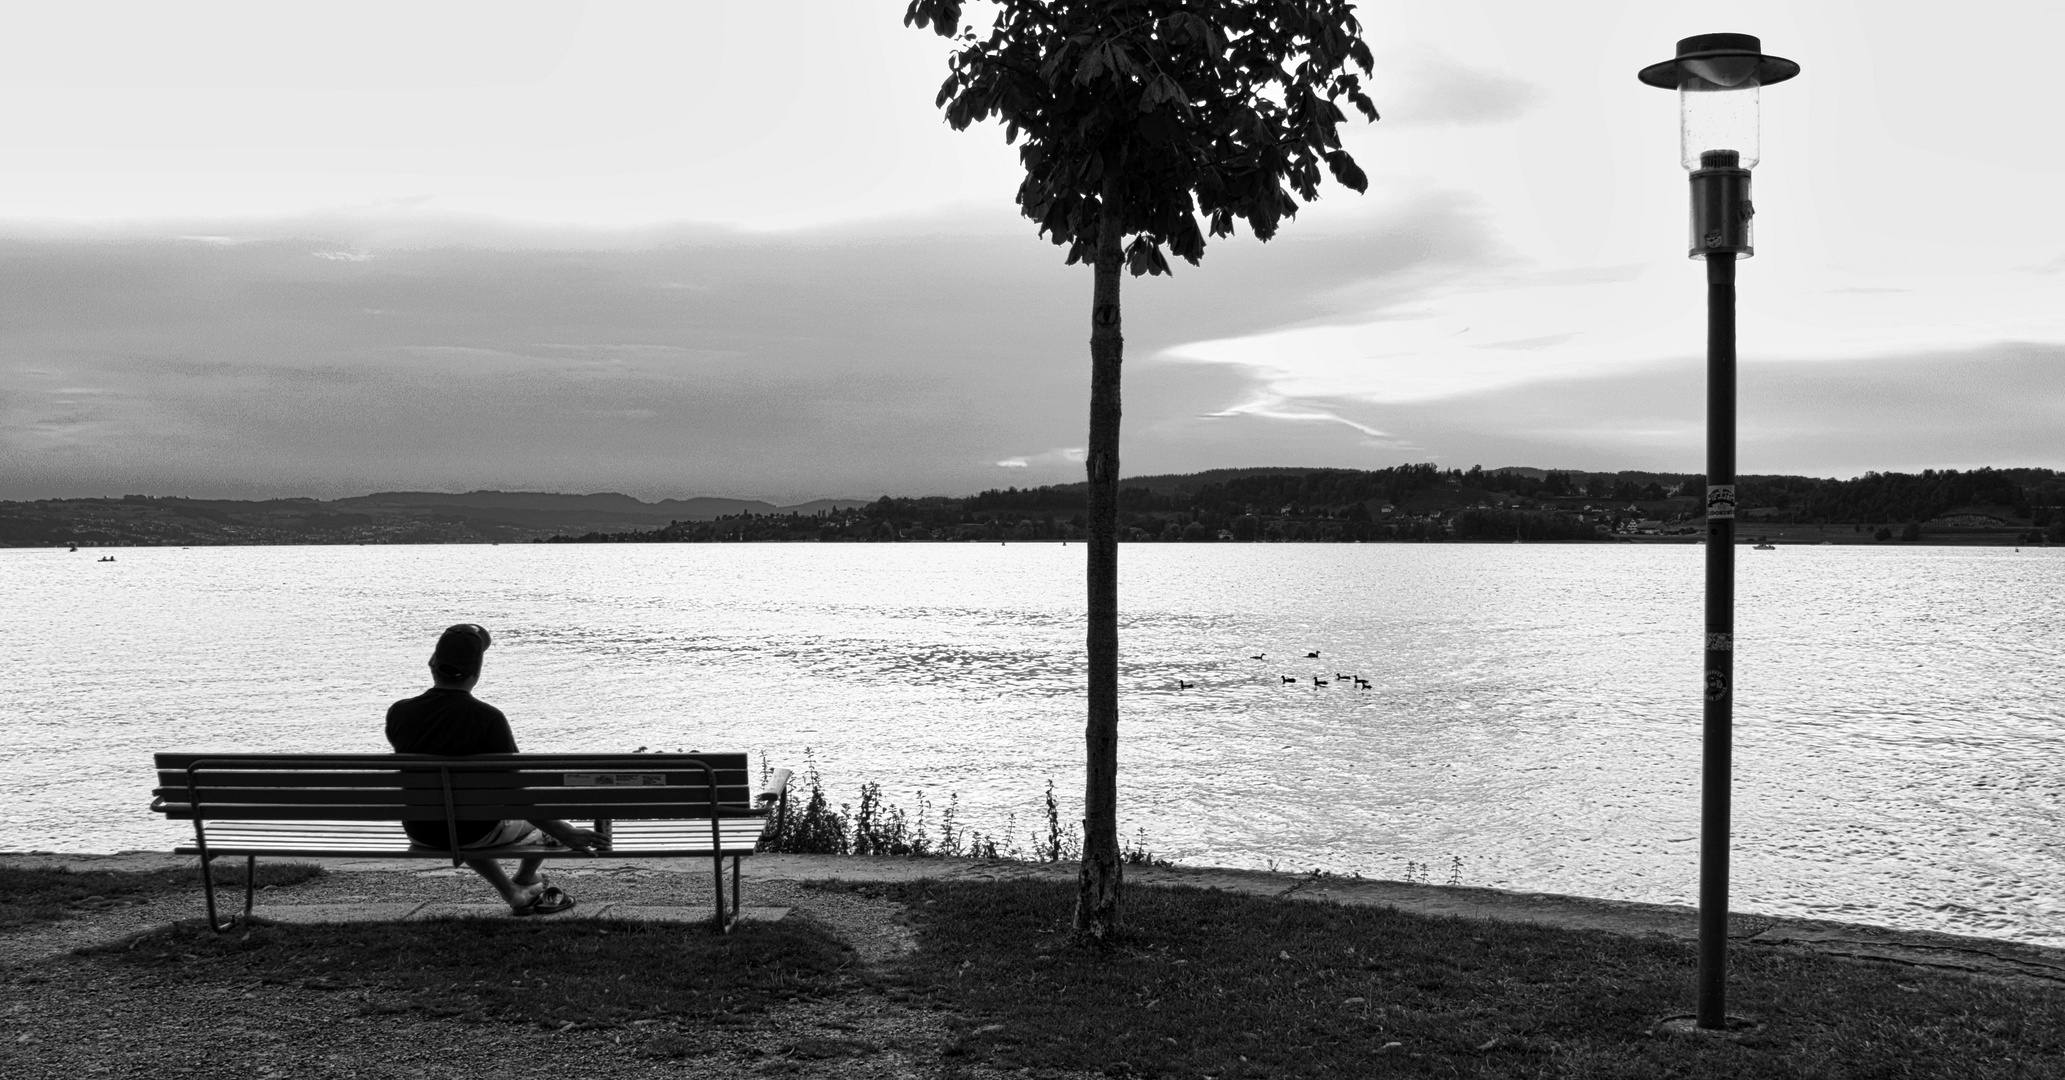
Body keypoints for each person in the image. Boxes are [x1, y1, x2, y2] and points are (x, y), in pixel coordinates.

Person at [385, 623, 604, 915]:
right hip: (474, 831)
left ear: (431, 665)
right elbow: (518, 794)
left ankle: (514, 891)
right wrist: (564, 832)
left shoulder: (399, 712)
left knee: (459, 814)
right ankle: (525, 878)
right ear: (477, 673)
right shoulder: (488, 718)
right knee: (537, 826)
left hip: (421, 830)